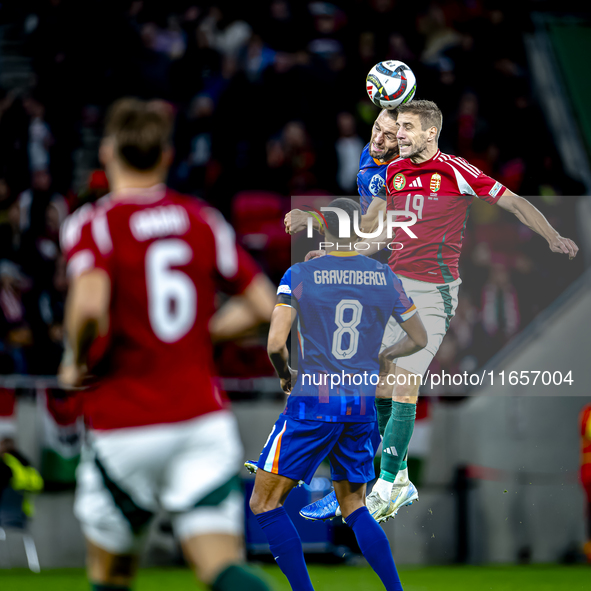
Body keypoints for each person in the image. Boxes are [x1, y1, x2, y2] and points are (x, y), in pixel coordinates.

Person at [297, 100, 580, 522]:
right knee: (378, 387)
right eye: (398, 128)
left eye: (407, 128)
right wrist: (338, 251)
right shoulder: (392, 173)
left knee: (405, 385)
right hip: (393, 289)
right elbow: (375, 230)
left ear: (431, 133)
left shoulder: (457, 171)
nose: (400, 136)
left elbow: (517, 204)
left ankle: (383, 487)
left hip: (432, 293)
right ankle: (401, 477)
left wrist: (552, 235)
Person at [58, 98, 277, 591]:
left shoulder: (95, 223)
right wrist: (204, 331)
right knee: (220, 567)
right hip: (200, 419)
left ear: (109, 152)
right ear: (165, 155)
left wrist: (74, 361)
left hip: (123, 424)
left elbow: (90, 306)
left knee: (112, 574)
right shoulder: (201, 219)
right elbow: (267, 306)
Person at [248, 198, 428, 591]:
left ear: (323, 230)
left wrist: (285, 375)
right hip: (361, 405)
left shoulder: (299, 274)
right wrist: (386, 355)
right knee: (354, 506)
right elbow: (419, 338)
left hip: (313, 401)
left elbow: (276, 344)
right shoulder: (384, 276)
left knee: (264, 503)